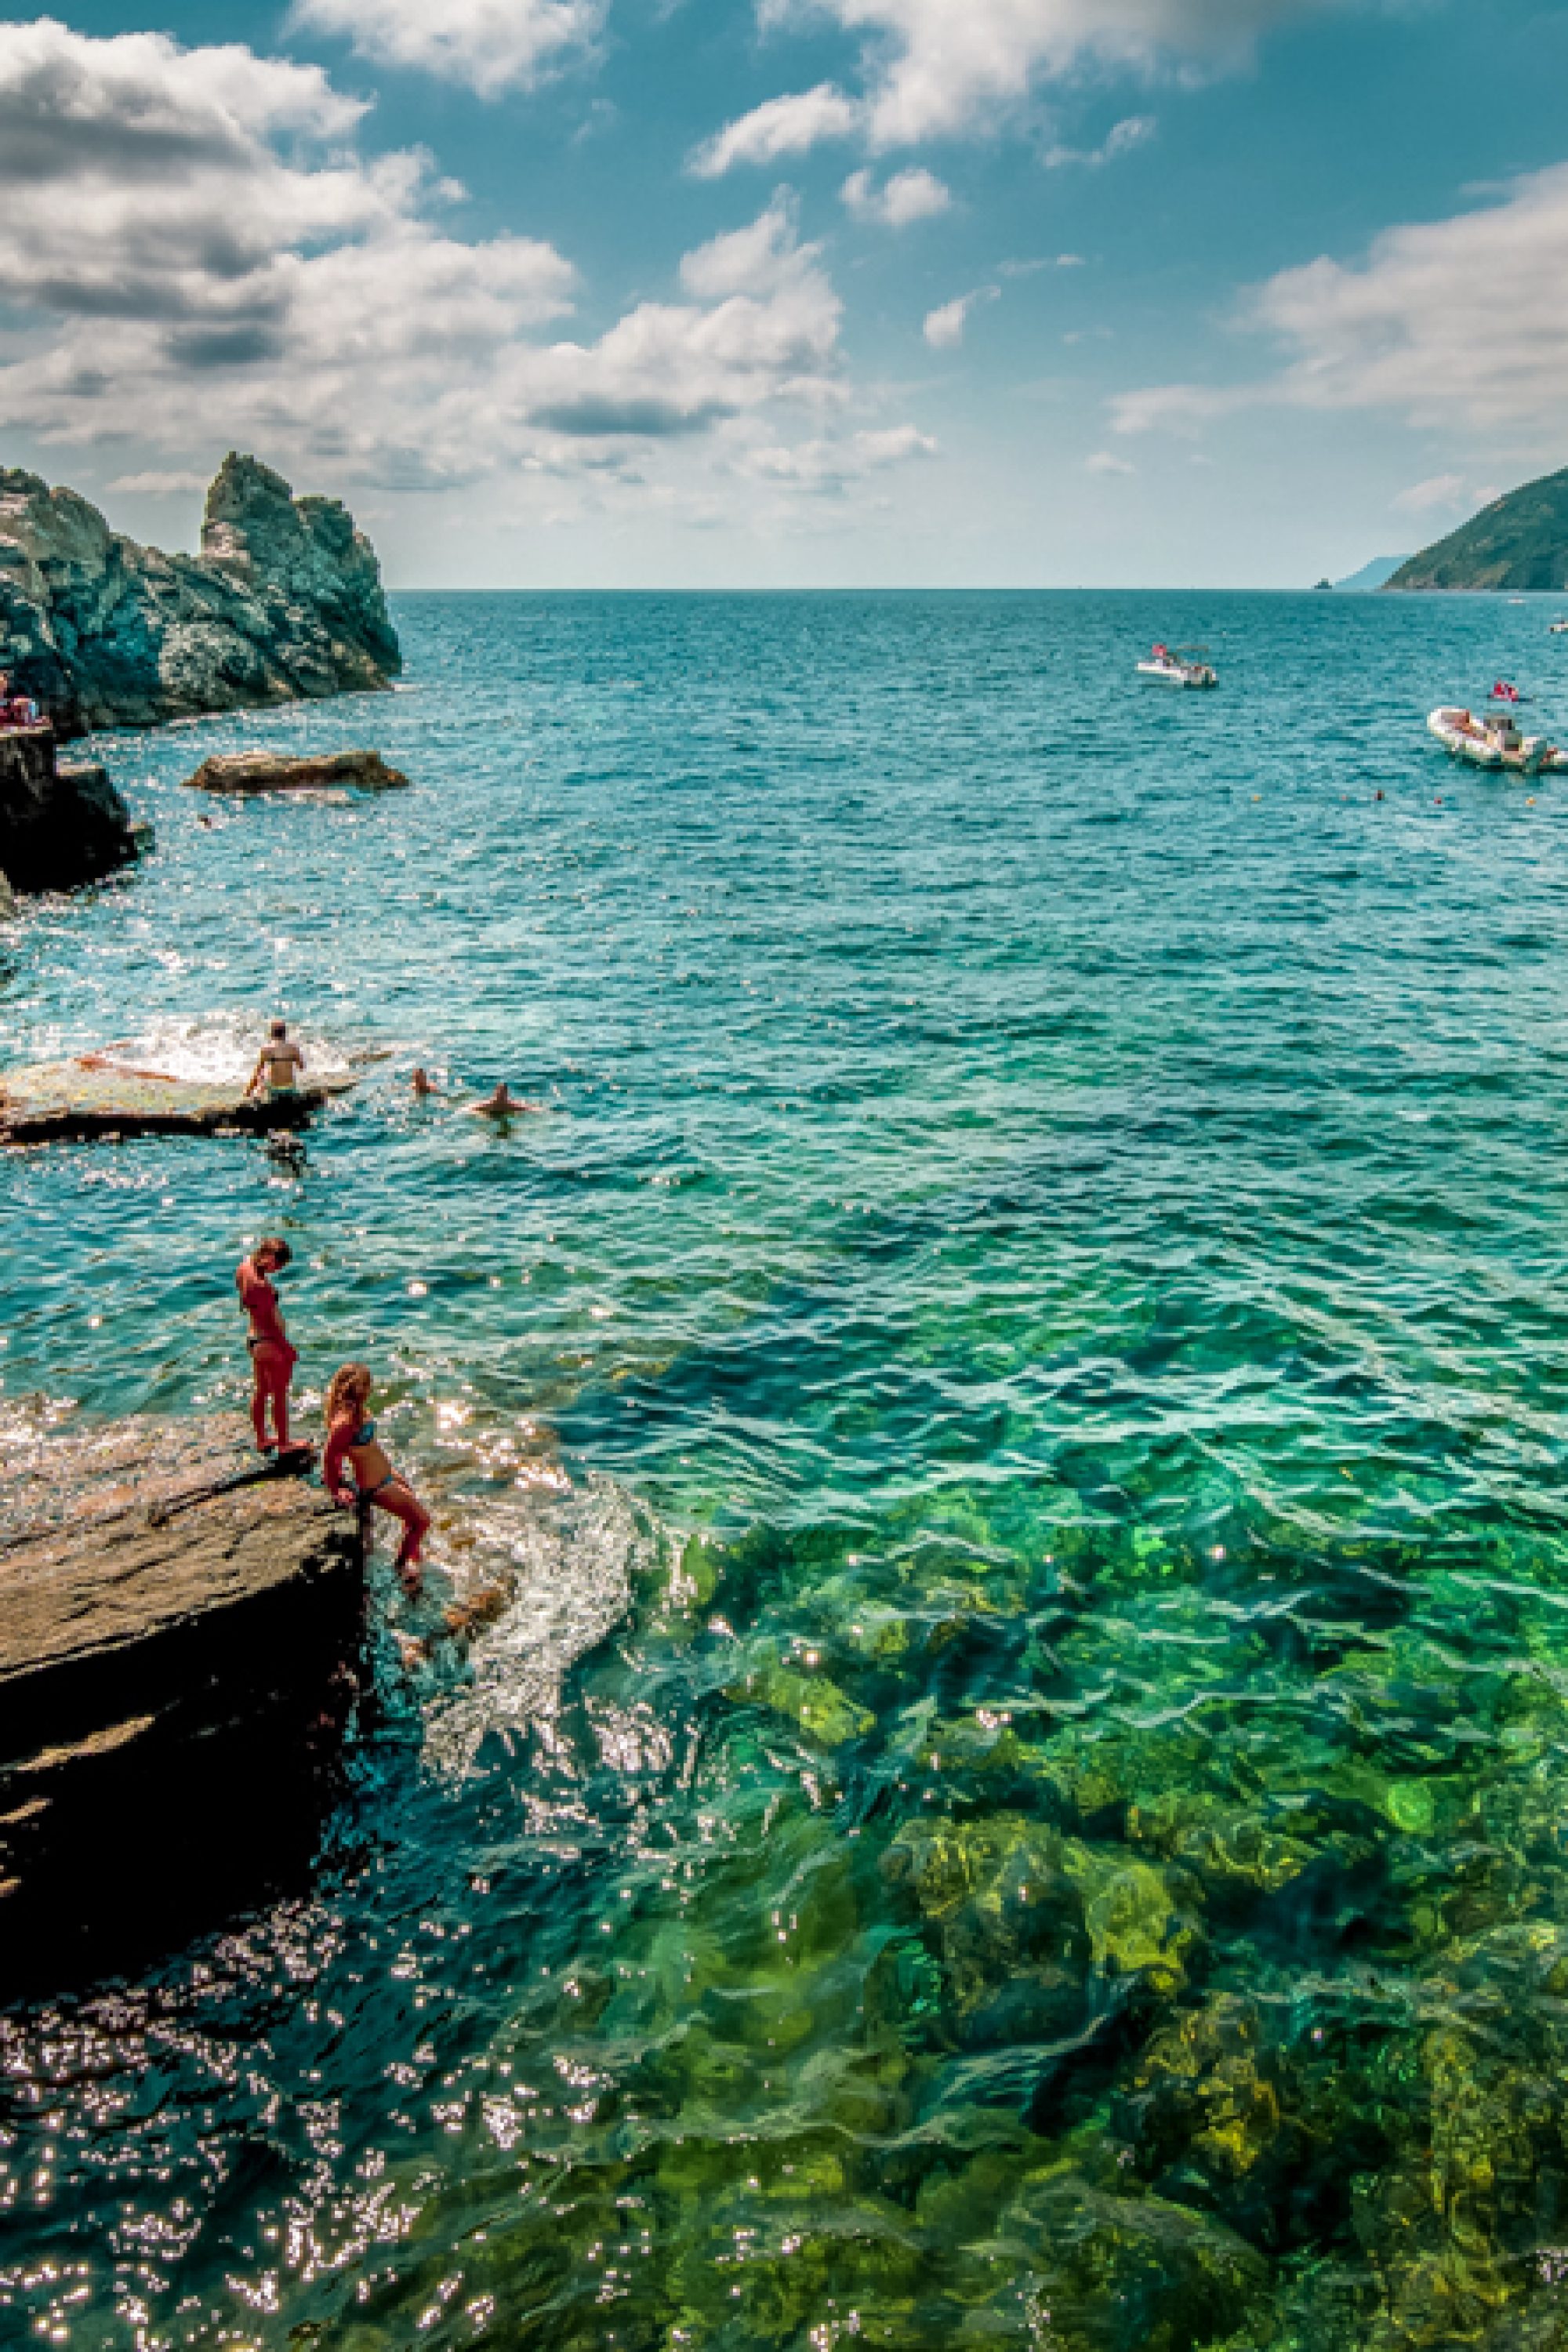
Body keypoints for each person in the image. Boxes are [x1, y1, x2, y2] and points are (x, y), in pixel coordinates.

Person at [323, 1363, 431, 1591]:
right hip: (376, 1486)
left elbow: (347, 1453)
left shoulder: (356, 1411)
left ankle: (411, 1549)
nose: (369, 1390)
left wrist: (342, 1473)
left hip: (386, 1475)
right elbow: (330, 1454)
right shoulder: (344, 1423)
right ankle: (401, 1566)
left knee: (411, 1507)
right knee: (422, 1520)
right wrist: (336, 1488)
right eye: (366, 1385)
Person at [236, 1237, 299, 1455]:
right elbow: (271, 1325)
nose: (278, 1270)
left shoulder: (244, 1267)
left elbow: (252, 1308)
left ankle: (262, 1439)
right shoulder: (261, 1286)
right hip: (268, 1341)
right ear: (270, 1258)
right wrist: (287, 1348)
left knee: (262, 1391)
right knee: (280, 1393)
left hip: (254, 1339)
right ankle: (284, 1444)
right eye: (279, 1265)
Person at [246, 1018, 306, 1102]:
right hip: (290, 1088)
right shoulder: (293, 1048)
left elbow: (257, 1074)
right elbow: (301, 1067)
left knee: (262, 1076)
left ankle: (256, 1098)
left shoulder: (266, 1049)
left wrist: (248, 1091)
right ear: (284, 1033)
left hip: (274, 1089)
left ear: (271, 1033)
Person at [466, 1081, 543, 1118]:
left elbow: (526, 1108)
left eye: (503, 1094)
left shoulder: (509, 1105)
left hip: (504, 1114)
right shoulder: (490, 1104)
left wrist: (539, 1110)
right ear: (495, 1093)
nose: (501, 1097)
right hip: (490, 1116)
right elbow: (471, 1107)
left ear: (506, 1095)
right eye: (499, 1094)